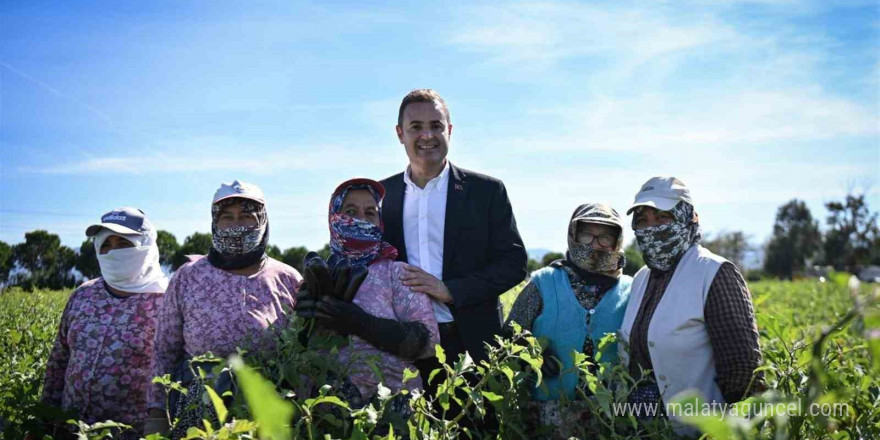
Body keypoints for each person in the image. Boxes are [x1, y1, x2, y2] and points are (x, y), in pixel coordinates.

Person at [380, 89, 528, 392]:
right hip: (402, 345)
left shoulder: (486, 191)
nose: (427, 135)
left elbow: (514, 264)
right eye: (416, 127)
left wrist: (450, 290)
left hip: (471, 347)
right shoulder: (380, 196)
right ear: (400, 134)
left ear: (450, 129)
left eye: (436, 125)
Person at [145, 180, 301, 438]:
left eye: (247, 216)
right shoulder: (188, 277)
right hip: (197, 415)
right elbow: (164, 351)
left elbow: (302, 355)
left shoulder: (287, 278)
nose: (236, 225)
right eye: (227, 217)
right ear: (215, 222)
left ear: (263, 221)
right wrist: (157, 413)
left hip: (267, 416)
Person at [618, 177, 762, 431]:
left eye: (662, 217)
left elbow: (742, 373)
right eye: (642, 220)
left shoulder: (715, 273)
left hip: (700, 430)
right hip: (643, 428)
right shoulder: (642, 278)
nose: (651, 228)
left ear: (688, 217)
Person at [295, 178, 440, 420]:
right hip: (327, 414)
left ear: (380, 221)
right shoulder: (318, 276)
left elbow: (428, 343)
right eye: (350, 211)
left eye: (370, 212)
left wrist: (361, 323)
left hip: (392, 411)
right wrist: (304, 327)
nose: (361, 218)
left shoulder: (398, 274)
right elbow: (296, 351)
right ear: (334, 218)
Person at [505, 203, 632, 438]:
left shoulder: (631, 290)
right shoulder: (543, 282)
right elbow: (509, 336)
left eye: (604, 236)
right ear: (573, 236)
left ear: (617, 241)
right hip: (546, 416)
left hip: (611, 417)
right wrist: (533, 357)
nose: (594, 244)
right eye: (586, 235)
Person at [42, 208, 168, 439]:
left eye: (123, 242)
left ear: (146, 244)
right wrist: (44, 419)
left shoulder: (166, 300)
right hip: (69, 429)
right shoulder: (84, 294)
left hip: (131, 433)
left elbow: (174, 371)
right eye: (106, 243)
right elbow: (60, 360)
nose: (113, 251)